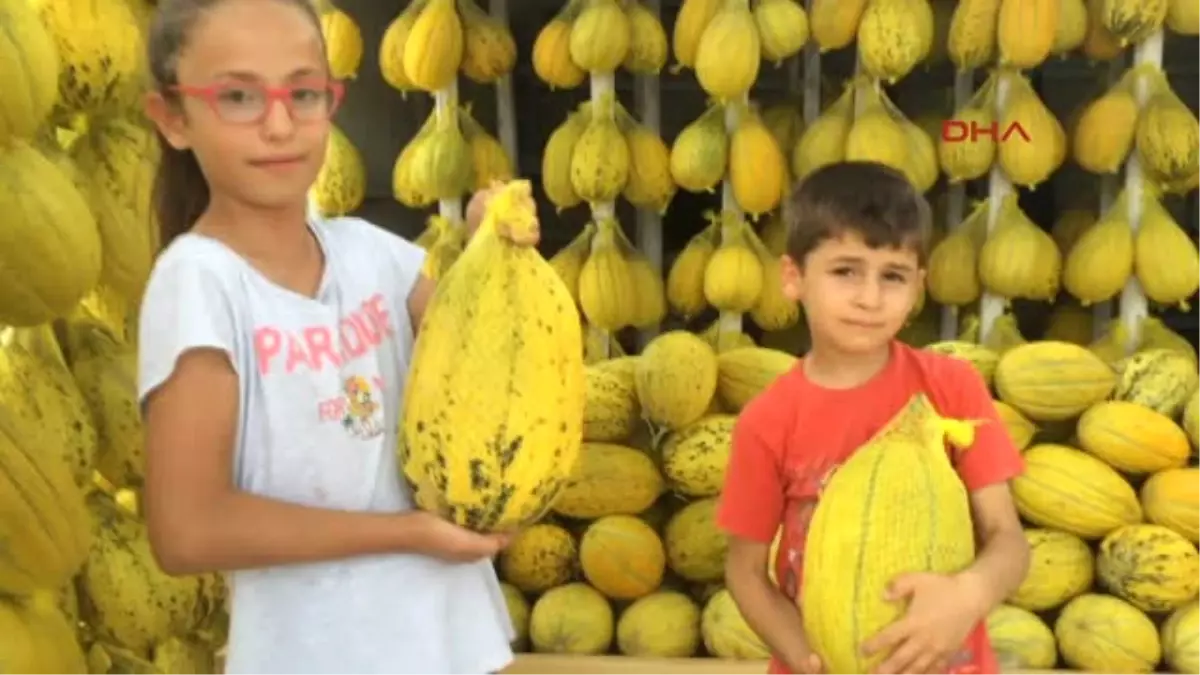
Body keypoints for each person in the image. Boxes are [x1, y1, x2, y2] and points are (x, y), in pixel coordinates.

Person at [136, 0, 517, 673]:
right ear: (173, 119)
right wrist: (408, 535)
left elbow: (488, 362)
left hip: (453, 643)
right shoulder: (199, 283)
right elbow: (188, 529)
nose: (279, 125)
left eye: (304, 92)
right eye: (238, 96)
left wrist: (499, 247)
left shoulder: (375, 256)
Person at [718, 162, 1031, 675]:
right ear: (794, 277)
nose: (870, 298)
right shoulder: (767, 419)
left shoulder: (951, 387)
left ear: (917, 289)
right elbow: (744, 571)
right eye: (845, 271)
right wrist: (807, 657)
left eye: (893, 276)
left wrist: (967, 596)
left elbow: (1008, 539)